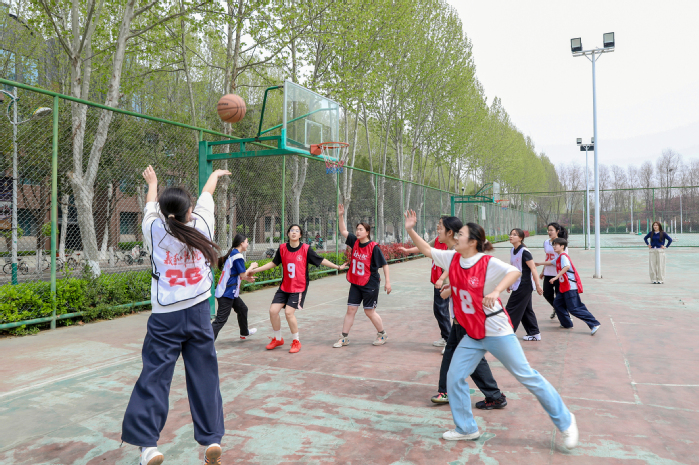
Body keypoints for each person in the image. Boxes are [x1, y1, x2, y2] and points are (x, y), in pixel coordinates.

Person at [404, 211, 578, 448]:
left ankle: (566, 421)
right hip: (473, 333)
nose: (456, 237)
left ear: (472, 242)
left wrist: (496, 291)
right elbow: (426, 250)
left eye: (461, 234)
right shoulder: (452, 258)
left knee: (527, 376)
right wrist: (410, 229)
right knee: (454, 377)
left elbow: (515, 272)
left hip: (496, 330)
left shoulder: (486, 263)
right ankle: (466, 428)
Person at [122, 166, 229, 465]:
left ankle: (148, 447)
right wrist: (215, 175)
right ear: (189, 211)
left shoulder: (153, 229)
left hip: (165, 318)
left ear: (163, 212)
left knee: (154, 378)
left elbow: (150, 206)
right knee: (205, 375)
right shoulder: (203, 226)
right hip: (198, 314)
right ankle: (212, 440)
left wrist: (153, 183)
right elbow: (207, 194)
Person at [415, 216, 507, 410]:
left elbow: (500, 275)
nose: (437, 229)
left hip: (472, 319)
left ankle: (494, 395)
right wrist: (451, 288)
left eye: (440, 226)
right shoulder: (455, 254)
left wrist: (496, 290)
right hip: (461, 317)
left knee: (475, 360)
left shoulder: (462, 255)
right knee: (451, 353)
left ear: (451, 232)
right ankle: (446, 391)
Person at [247, 224, 347, 354]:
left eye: (297, 231)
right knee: (273, 311)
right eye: (292, 230)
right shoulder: (282, 248)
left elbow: (321, 260)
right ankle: (278, 339)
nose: (294, 232)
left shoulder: (306, 249)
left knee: (289, 313)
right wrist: (255, 270)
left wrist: (338, 267)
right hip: (285, 286)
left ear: (300, 235)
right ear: (288, 234)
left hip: (298, 287)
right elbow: (273, 263)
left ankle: (296, 341)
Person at [333, 204, 391, 347]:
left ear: (367, 232)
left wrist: (388, 282)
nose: (357, 232)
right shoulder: (355, 242)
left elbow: (385, 264)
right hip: (356, 282)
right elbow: (343, 230)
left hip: (370, 283)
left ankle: (382, 334)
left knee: (369, 311)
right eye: (357, 229)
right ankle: (344, 337)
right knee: (351, 309)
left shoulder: (373, 247)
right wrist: (341, 215)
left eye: (361, 229)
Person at [399, 218, 451, 349]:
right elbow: (423, 247)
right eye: (438, 224)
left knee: (442, 311)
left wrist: (441, 278)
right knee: (439, 311)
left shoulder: (451, 245)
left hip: (444, 283)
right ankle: (446, 337)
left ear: (449, 230)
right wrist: (407, 251)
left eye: (441, 225)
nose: (438, 226)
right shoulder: (438, 240)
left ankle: (449, 341)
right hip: (437, 281)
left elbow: (451, 265)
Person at [549, 238, 601, 335]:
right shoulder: (560, 257)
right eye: (553, 245)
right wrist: (537, 264)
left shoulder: (563, 257)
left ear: (562, 246)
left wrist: (556, 277)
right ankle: (566, 323)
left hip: (570, 287)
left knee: (574, 308)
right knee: (557, 304)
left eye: (556, 245)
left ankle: (594, 323)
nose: (554, 246)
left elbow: (567, 267)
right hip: (564, 288)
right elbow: (551, 262)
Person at [212, 234, 258, 341]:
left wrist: (247, 278)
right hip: (226, 293)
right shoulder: (238, 257)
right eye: (247, 242)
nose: (248, 244)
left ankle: (244, 333)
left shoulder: (233, 254)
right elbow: (242, 274)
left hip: (230, 291)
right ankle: (206, 344)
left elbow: (235, 274)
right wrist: (251, 267)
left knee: (242, 309)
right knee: (220, 320)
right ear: (242, 243)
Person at [506, 229, 543, 341]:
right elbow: (513, 268)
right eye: (511, 234)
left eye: (514, 235)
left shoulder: (524, 252)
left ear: (521, 238)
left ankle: (506, 334)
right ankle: (534, 333)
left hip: (524, 285)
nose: (511, 236)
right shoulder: (512, 250)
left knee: (511, 309)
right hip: (518, 284)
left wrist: (538, 285)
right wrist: (509, 282)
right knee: (526, 310)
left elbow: (533, 268)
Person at [536, 223, 568, 320]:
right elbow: (547, 257)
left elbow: (562, 260)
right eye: (548, 230)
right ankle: (557, 308)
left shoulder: (562, 243)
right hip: (548, 273)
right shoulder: (546, 242)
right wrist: (543, 271)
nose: (549, 232)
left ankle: (564, 314)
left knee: (559, 295)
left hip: (558, 274)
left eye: (551, 230)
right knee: (546, 293)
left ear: (557, 231)